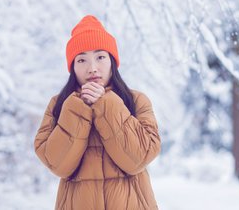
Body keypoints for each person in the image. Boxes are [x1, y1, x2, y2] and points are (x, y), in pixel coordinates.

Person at [34, 15, 161, 210]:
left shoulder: (136, 101)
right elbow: (58, 165)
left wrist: (107, 104)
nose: (92, 68)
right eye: (82, 60)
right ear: (73, 67)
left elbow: (139, 158)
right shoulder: (59, 105)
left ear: (112, 61)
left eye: (100, 57)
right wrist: (77, 109)